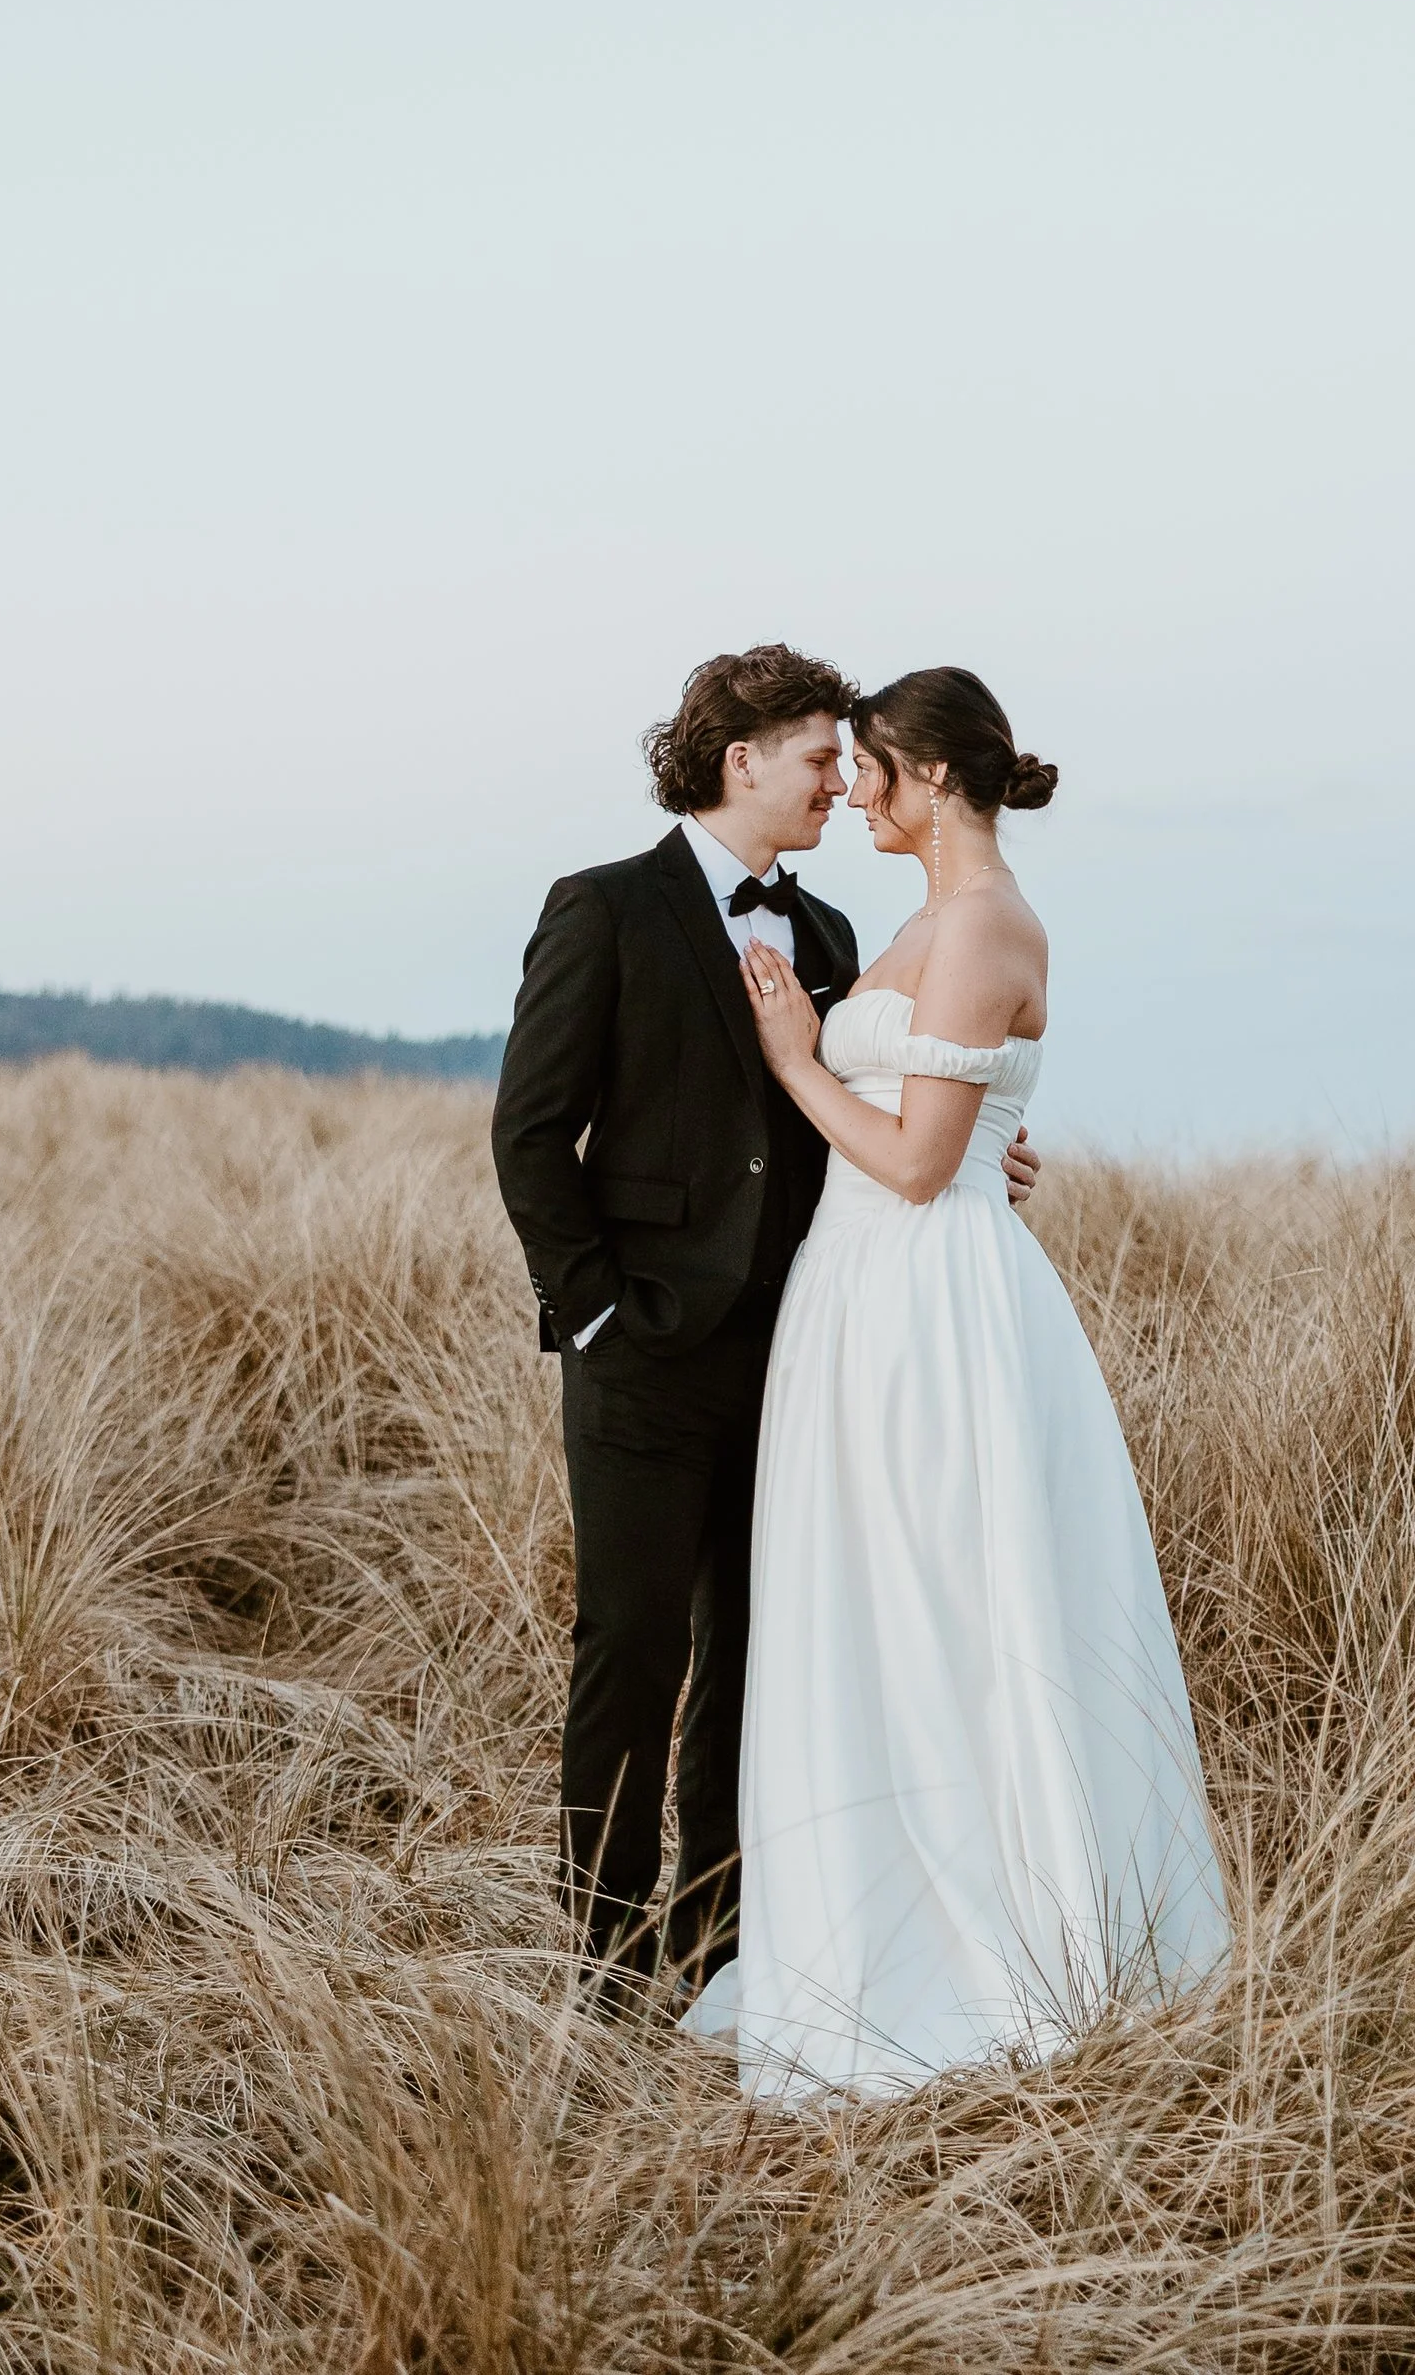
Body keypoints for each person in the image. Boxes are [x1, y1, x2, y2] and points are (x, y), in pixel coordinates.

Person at [683, 665, 1230, 2099]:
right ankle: (867, 1909)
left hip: (929, 1303)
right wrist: (967, 1132)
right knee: (867, 1597)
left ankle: (977, 1946)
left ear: (928, 773)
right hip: (860, 1291)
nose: (850, 789)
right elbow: (952, 1121)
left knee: (944, 1599)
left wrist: (801, 1059)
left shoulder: (986, 924)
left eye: (865, 766)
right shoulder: (926, 918)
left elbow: (924, 1161)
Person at [490, 644, 1041, 1989]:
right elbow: (528, 1134)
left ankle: (723, 1950)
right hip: (644, 1355)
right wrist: (599, 1314)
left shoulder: (839, 935)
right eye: (815, 758)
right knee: (629, 1652)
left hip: (803, 1351)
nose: (835, 784)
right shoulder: (606, 909)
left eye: (850, 764)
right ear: (740, 760)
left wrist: (969, 1151)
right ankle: (606, 1965)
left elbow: (851, 1126)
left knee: (755, 1655)